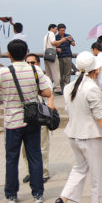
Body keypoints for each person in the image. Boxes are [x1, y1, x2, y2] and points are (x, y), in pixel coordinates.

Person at [55, 51, 102, 203]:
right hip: (90, 137)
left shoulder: (69, 87)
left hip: (73, 134)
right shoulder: (92, 88)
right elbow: (99, 116)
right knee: (97, 175)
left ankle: (63, 197)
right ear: (96, 70)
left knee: (79, 168)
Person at [0, 40, 54, 203]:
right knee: (35, 156)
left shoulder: (3, 73)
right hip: (32, 120)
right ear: (26, 53)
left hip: (12, 121)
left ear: (9, 54)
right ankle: (37, 193)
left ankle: (11, 194)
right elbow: (47, 91)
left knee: (11, 159)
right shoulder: (34, 70)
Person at [21, 54, 54, 185]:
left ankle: (44, 171)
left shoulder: (43, 78)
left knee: (43, 145)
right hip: (24, 115)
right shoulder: (21, 78)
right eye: (27, 63)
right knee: (25, 147)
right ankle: (31, 171)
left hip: (39, 114)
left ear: (38, 64)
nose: (30, 65)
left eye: (33, 62)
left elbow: (49, 94)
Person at [44, 24, 65, 95]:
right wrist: (62, 40)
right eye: (56, 29)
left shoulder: (46, 35)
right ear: (52, 28)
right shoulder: (51, 34)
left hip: (46, 55)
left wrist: (56, 48)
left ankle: (48, 87)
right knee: (56, 72)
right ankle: (57, 88)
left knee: (48, 73)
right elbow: (53, 42)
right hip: (52, 56)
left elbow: (49, 45)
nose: (56, 31)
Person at [56, 23, 76, 91]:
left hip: (68, 56)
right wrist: (61, 41)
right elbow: (54, 45)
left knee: (68, 73)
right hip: (59, 57)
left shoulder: (68, 36)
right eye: (61, 30)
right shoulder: (56, 37)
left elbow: (74, 44)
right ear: (58, 30)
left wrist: (71, 40)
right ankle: (62, 89)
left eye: (64, 30)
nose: (63, 32)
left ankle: (67, 89)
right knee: (60, 74)